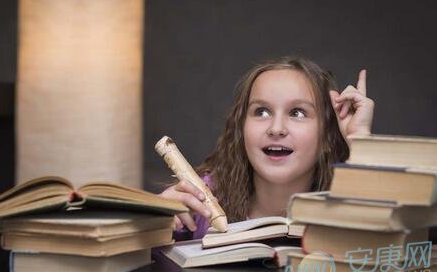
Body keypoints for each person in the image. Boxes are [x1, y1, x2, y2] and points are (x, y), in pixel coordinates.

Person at [158, 56, 375, 239]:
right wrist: (151, 225)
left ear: (327, 137)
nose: (276, 128)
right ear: (241, 128)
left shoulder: (352, 202)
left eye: (297, 113)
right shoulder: (201, 201)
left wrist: (359, 139)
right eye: (261, 112)